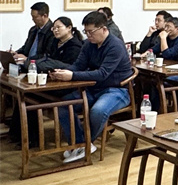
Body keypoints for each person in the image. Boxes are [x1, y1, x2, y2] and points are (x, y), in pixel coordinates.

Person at [52, 11, 133, 163]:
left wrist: (72, 76)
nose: (88, 35)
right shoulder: (88, 44)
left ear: (104, 29)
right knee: (63, 105)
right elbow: (79, 65)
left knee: (98, 111)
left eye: (91, 32)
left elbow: (102, 74)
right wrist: (64, 72)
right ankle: (80, 144)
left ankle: (84, 144)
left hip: (117, 90)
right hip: (93, 88)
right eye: (86, 31)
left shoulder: (115, 46)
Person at [9, 18, 84, 148]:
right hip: (51, 80)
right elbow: (46, 58)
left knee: (31, 97)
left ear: (69, 28)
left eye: (58, 27)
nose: (55, 30)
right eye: (54, 28)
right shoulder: (55, 42)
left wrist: (48, 65)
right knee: (24, 95)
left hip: (66, 86)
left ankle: (32, 140)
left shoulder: (75, 46)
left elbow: (67, 66)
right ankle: (16, 134)